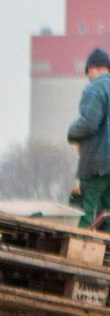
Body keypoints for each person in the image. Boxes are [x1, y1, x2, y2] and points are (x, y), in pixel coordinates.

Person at [70, 48, 110, 229]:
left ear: (91, 69)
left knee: (84, 212)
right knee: (107, 216)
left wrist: (72, 133)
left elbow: (89, 123)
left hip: (96, 165)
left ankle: (78, 254)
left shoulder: (95, 88)